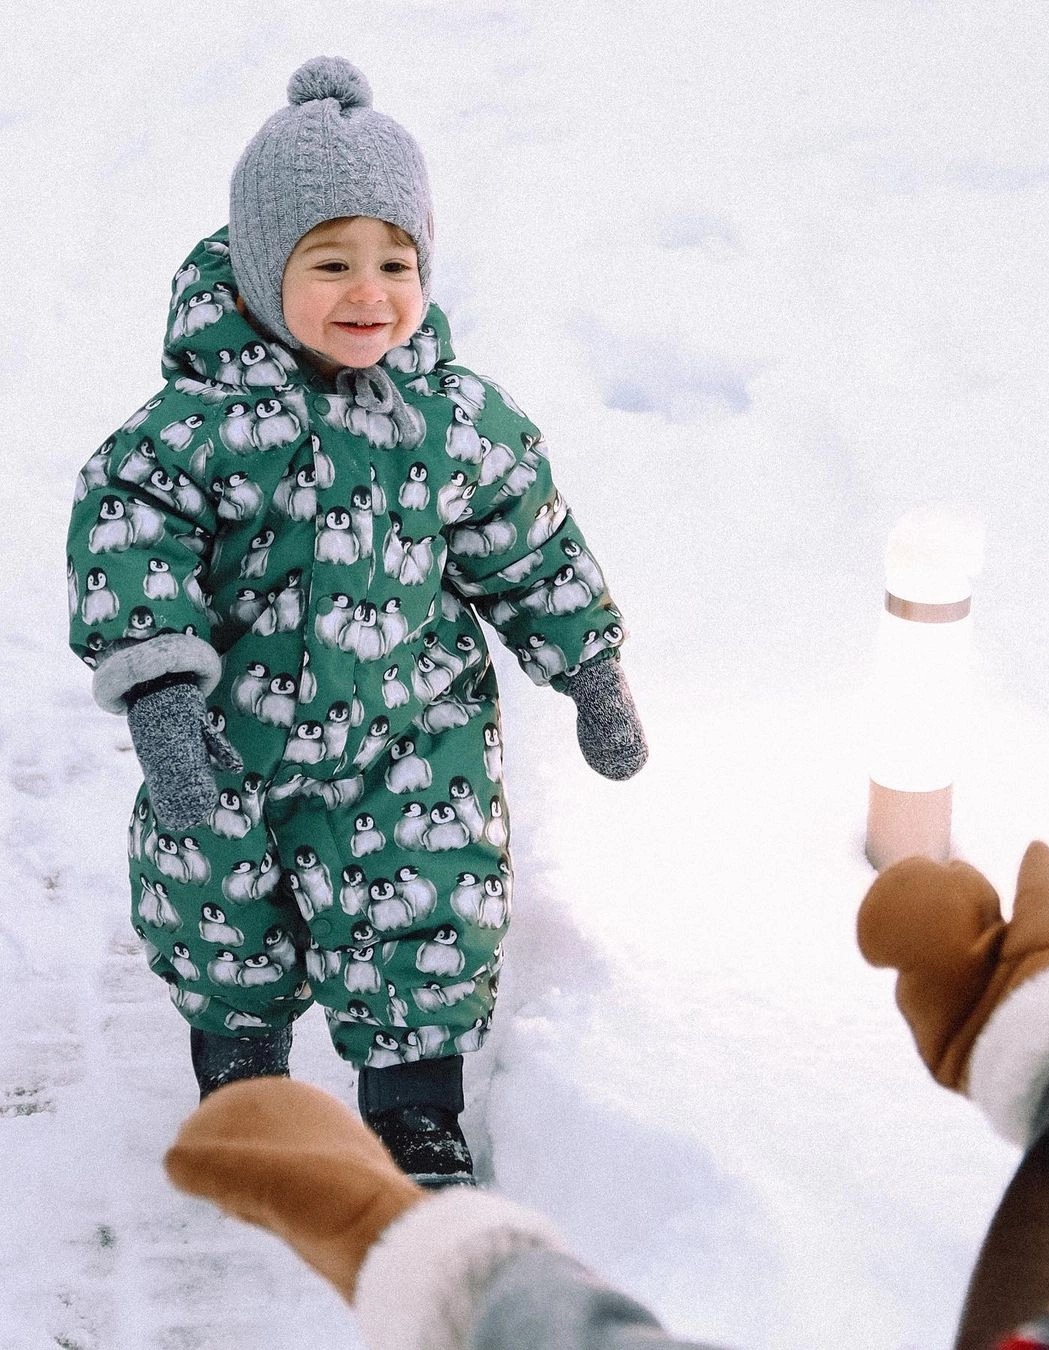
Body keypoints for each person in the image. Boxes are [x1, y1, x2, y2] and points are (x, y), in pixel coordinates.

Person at [66, 54, 647, 1187]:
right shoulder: (192, 429)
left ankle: (416, 1111)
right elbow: (127, 536)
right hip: (232, 739)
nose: (369, 292)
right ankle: (244, 1087)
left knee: (429, 914)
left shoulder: (453, 417)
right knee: (220, 915)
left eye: (396, 261)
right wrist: (162, 692)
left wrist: (589, 671)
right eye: (329, 263)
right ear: (257, 267)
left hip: (408, 738)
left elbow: (525, 539)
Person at [166, 841, 1049, 1349]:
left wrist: (465, 1282)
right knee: (227, 889)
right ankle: (243, 1036)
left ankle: (411, 1102)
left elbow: (508, 520)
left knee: (425, 908)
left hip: (417, 715)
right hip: (223, 723)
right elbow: (139, 522)